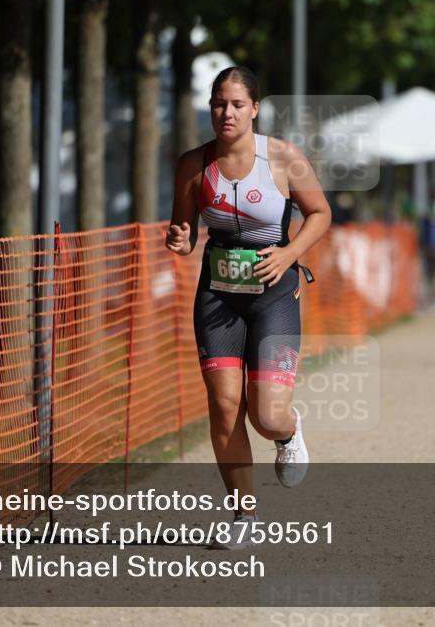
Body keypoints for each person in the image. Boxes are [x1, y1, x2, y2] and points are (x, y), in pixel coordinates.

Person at [165, 66, 331, 549]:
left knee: (267, 416)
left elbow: (320, 214)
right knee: (223, 408)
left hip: (274, 293)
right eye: (219, 104)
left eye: (237, 104)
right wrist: (179, 240)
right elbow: (185, 229)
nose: (227, 113)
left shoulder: (281, 157)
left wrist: (288, 253)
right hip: (218, 294)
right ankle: (244, 516)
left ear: (254, 108)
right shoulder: (193, 165)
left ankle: (289, 432)